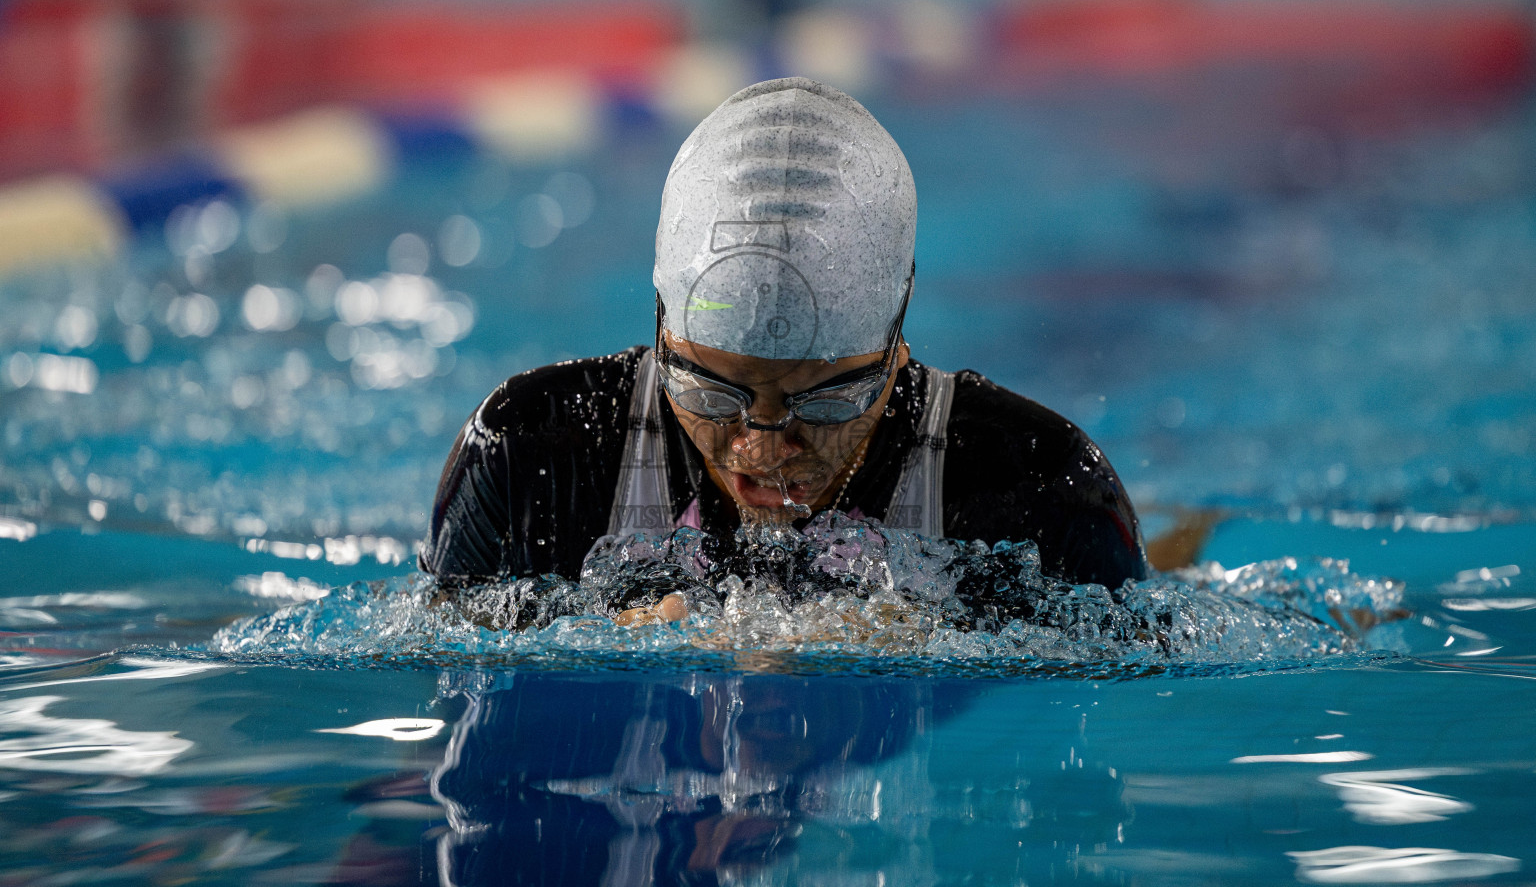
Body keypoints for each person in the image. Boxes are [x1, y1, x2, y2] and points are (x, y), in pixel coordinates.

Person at [424, 77, 1148, 608]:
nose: (761, 448)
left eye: (827, 399)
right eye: (711, 391)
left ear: (897, 336)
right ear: (661, 325)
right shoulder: (530, 459)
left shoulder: (1043, 494)